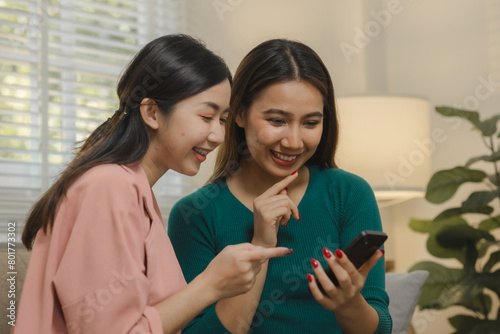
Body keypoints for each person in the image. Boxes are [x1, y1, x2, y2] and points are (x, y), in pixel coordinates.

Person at [14, 34, 293, 334]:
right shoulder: (109, 186)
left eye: (223, 120)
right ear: (151, 112)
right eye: (206, 116)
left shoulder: (131, 187)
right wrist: (209, 285)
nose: (218, 136)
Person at [168, 38, 392, 333]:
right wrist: (260, 245)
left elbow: (380, 327)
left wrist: (349, 303)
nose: (294, 142)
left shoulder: (348, 193)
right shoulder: (195, 215)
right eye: (277, 120)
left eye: (310, 123)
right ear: (239, 113)